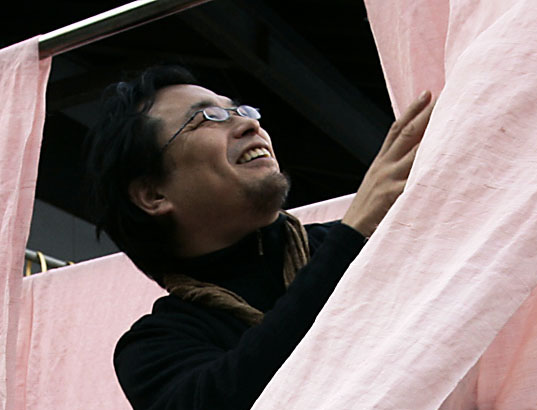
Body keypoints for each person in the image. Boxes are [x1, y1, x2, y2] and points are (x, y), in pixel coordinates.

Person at [83, 65, 433, 409]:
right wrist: (353, 235)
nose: (250, 124)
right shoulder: (155, 346)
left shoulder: (369, 242)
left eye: (242, 110)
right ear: (153, 194)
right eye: (207, 118)